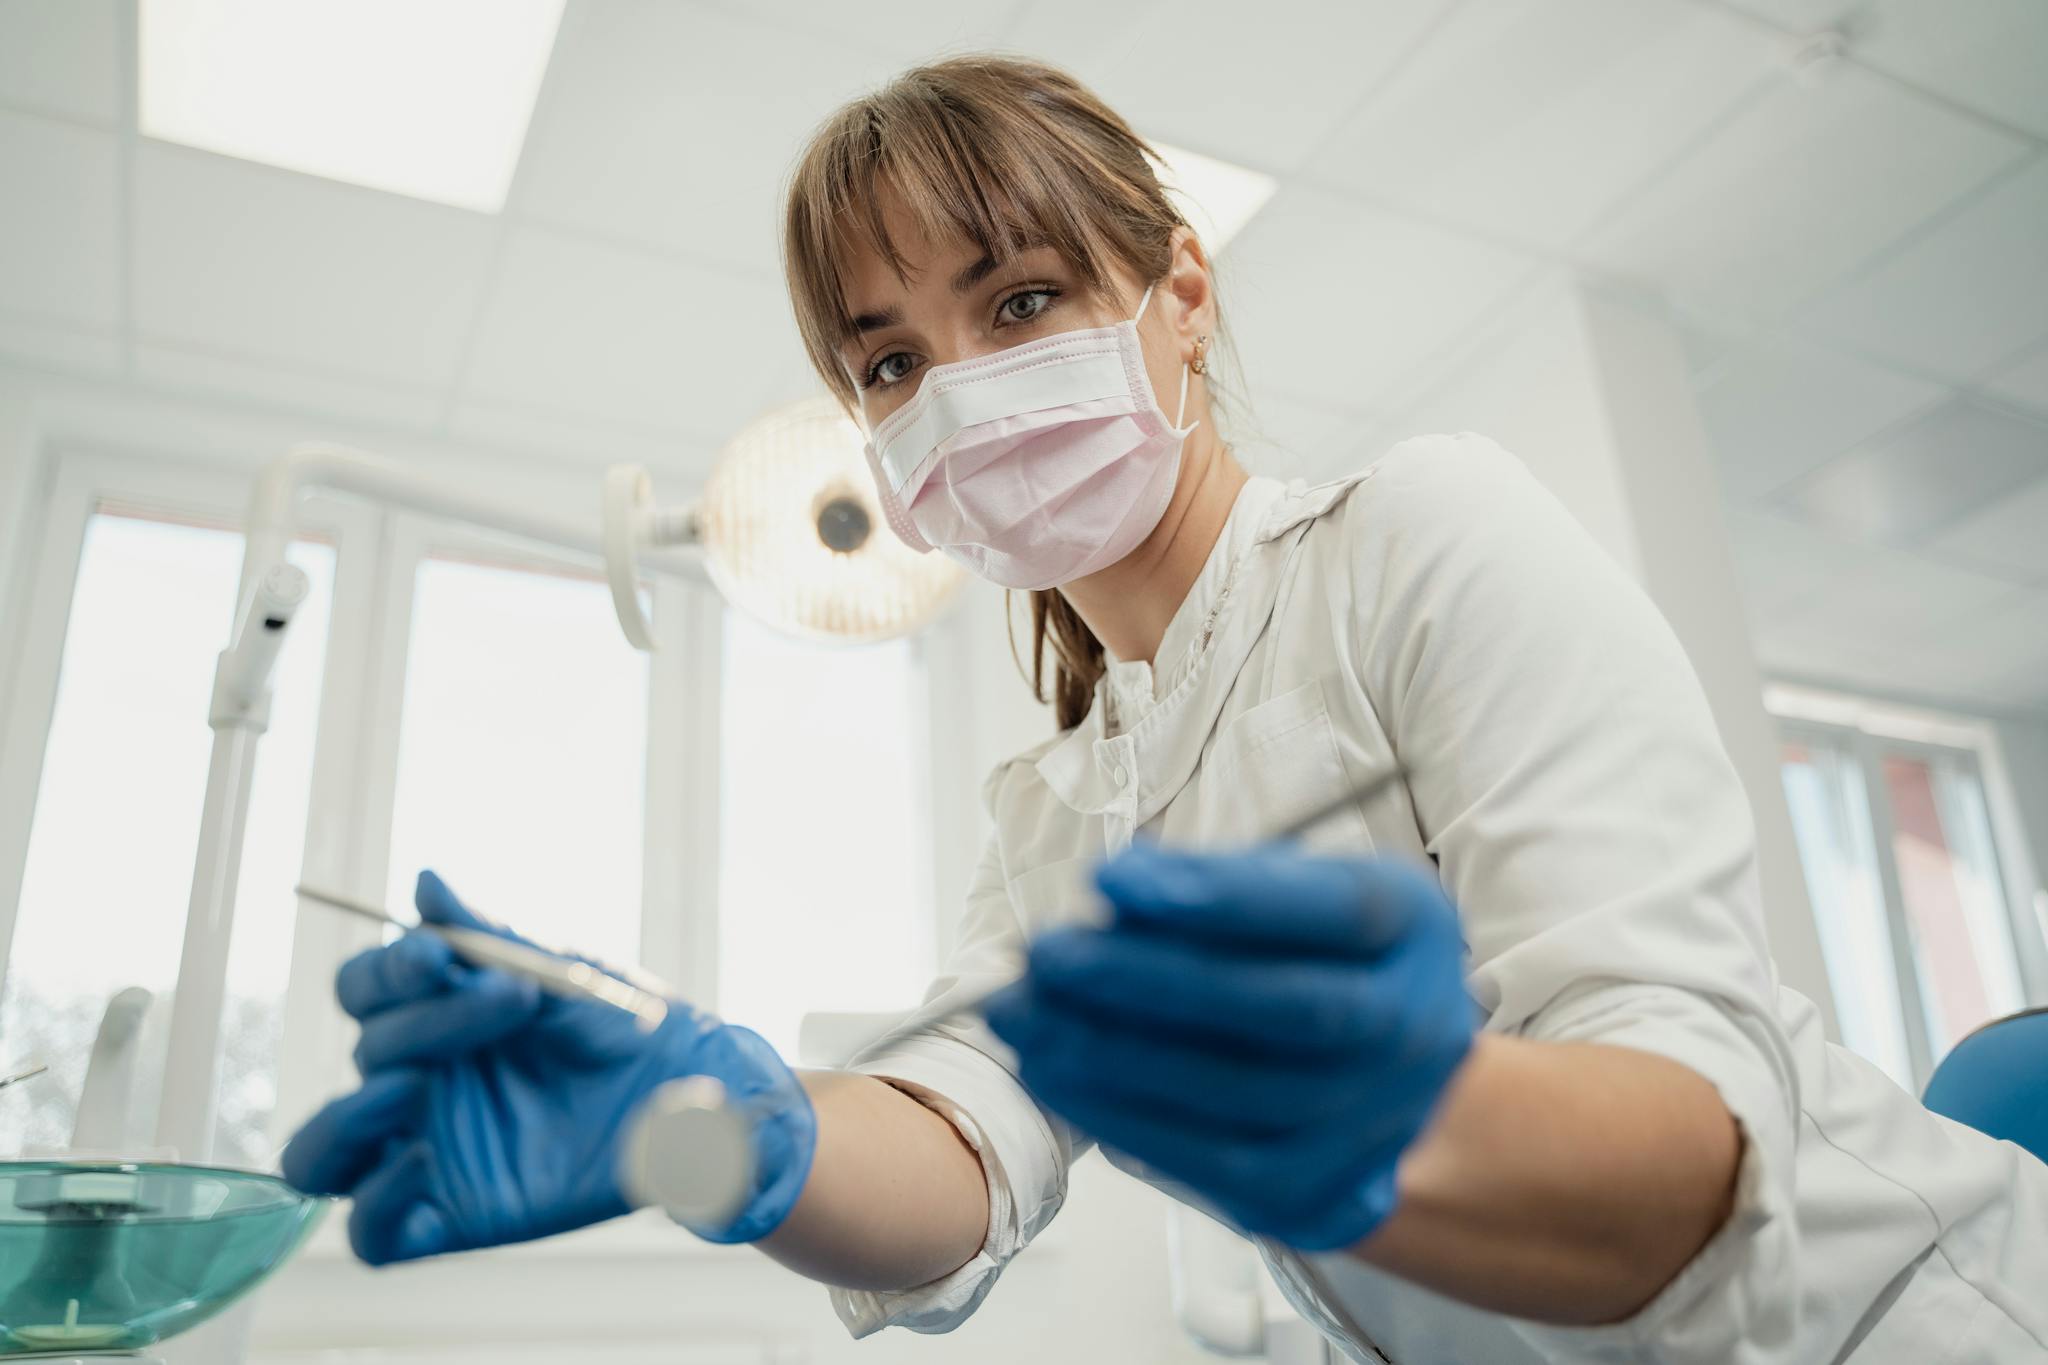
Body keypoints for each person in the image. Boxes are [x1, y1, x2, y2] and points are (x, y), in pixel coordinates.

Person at [281, 54, 2048, 1364]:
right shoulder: (1054, 813)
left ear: (1178, 301)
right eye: (890, 361)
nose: (960, 396)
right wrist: (705, 1128)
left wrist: (1406, 1118)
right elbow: (963, 1149)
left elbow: (1688, 1142)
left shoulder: (1415, 536)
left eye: (1022, 300)